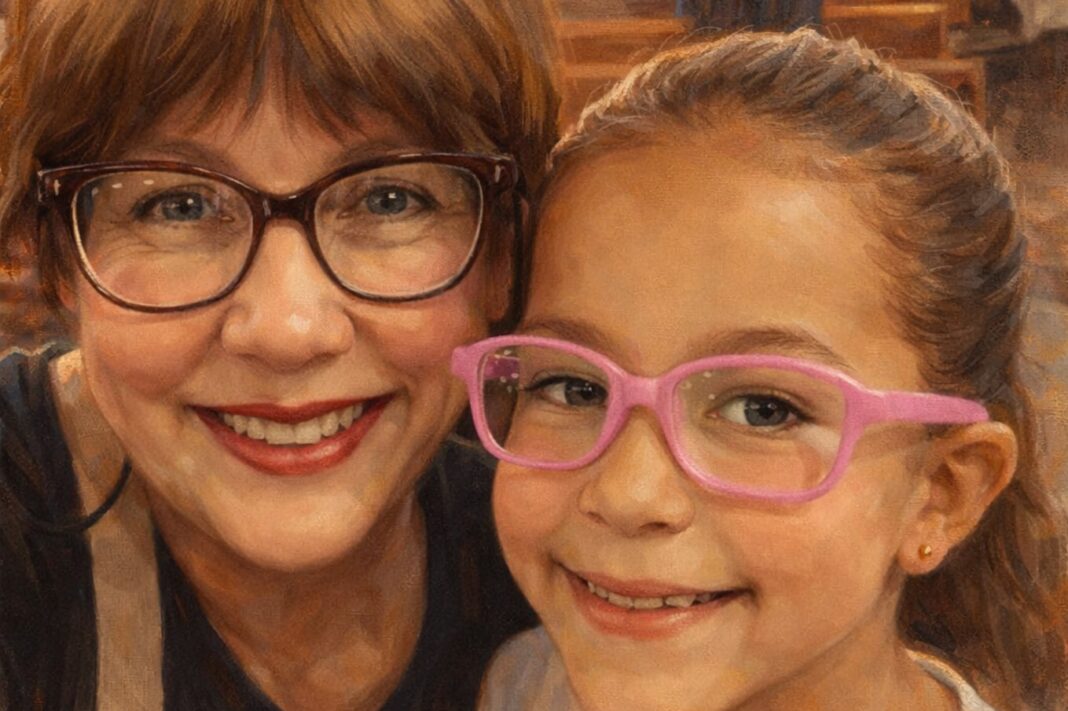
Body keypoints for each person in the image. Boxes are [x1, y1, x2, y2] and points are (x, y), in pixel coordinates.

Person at [456, 30, 1068, 711]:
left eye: (763, 409)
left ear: (941, 493)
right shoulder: (525, 685)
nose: (629, 494)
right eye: (573, 387)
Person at [0, 1, 557, 709]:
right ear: (56, 261)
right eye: (179, 206)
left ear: (503, 252)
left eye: (389, 199)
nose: (288, 329)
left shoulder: (582, 565)